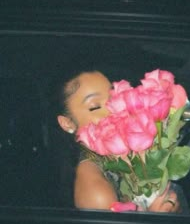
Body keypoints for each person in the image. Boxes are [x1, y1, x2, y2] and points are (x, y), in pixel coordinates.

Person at [54, 69, 183, 213]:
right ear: (67, 123)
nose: (112, 110)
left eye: (112, 98)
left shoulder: (123, 158)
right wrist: (156, 218)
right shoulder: (96, 190)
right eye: (95, 106)